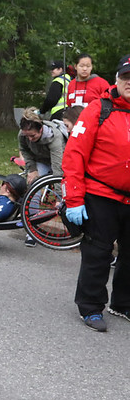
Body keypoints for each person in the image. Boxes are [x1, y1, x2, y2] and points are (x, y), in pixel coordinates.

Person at [62, 54, 130, 332]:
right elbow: (74, 155)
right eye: (126, 77)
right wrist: (74, 198)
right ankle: (90, 306)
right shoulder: (98, 109)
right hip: (101, 195)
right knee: (98, 253)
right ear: (117, 79)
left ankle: (123, 303)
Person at [18, 107, 66, 185]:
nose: (30, 139)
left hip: (59, 160)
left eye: (33, 135)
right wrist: (32, 169)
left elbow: (58, 169)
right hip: (40, 160)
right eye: (27, 136)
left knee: (58, 183)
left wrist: (59, 194)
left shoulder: (54, 137)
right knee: (34, 182)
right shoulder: (22, 134)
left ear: (40, 130)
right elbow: (24, 150)